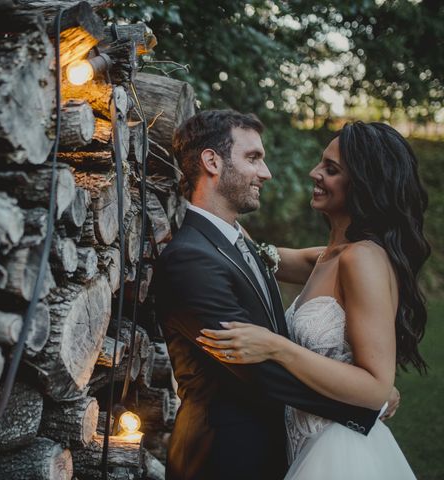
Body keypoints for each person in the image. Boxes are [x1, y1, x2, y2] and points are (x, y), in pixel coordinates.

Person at [153, 110, 385, 480]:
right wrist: (367, 404)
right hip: (223, 459)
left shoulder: (233, 242)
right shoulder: (189, 260)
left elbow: (328, 261)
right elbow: (259, 372)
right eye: (253, 158)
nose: (266, 173)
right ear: (212, 161)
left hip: (272, 453)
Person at [197, 121, 429, 479]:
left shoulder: (361, 260)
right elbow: (254, 251)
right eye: (322, 163)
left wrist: (277, 347)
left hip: (340, 451)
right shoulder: (328, 256)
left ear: (365, 185)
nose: (314, 173)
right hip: (303, 442)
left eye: (331, 170)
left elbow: (377, 388)